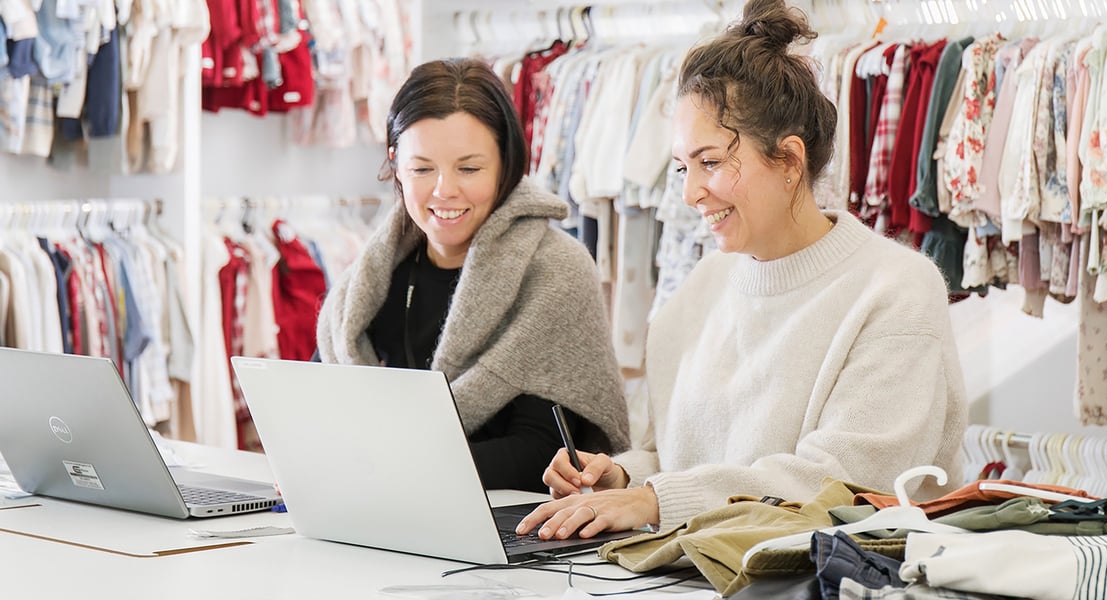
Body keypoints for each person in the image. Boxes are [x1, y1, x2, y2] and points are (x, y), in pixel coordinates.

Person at [517, 0, 968, 540]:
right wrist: (619, 476)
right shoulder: (699, 291)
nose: (689, 192)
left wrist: (652, 500)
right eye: (684, 167)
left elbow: (844, 487)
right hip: (693, 576)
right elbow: (678, 461)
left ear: (789, 160)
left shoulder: (896, 292)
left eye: (710, 163)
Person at [314, 59, 629, 492]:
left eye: (469, 168)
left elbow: (545, 452)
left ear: (506, 162)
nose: (444, 190)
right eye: (423, 168)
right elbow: (317, 409)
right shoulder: (370, 276)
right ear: (395, 163)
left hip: (505, 531)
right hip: (373, 510)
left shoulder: (556, 271)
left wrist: (385, 467)